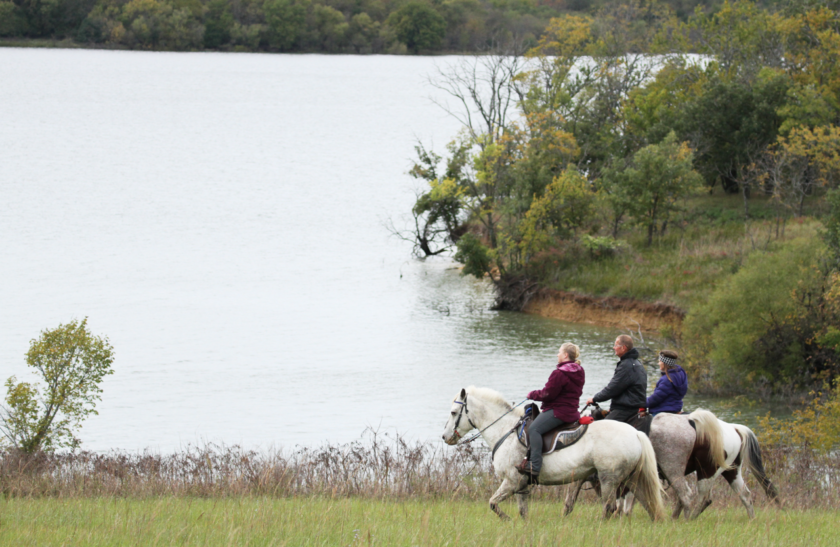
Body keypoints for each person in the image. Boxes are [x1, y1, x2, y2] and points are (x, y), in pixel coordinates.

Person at [516, 342, 585, 479]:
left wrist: (532, 394)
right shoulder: (579, 370)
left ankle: (534, 465)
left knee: (534, 429)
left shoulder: (559, 373)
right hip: (572, 411)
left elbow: (548, 394)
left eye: (559, 352)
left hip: (559, 411)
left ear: (565, 355)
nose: (557, 354)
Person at [585, 335, 646, 423]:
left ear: (623, 348)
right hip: (633, 407)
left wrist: (594, 399)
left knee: (602, 430)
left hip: (624, 409)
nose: (614, 348)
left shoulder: (626, 366)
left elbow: (613, 388)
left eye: (616, 345)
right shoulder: (637, 364)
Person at [646, 350, 687, 415]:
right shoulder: (680, 374)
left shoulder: (667, 379)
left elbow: (656, 398)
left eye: (659, 361)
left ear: (664, 363)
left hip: (662, 410)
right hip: (676, 408)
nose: (658, 363)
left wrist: (642, 403)